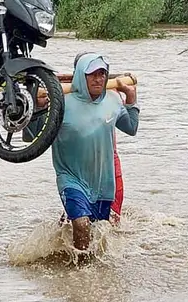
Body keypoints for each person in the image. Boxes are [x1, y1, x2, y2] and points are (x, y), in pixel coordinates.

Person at [27, 53, 138, 254]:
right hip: (70, 177)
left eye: (102, 74)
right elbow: (31, 137)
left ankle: (88, 272)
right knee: (81, 223)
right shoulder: (61, 102)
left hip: (103, 180)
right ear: (80, 76)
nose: (98, 79)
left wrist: (131, 98)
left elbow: (131, 127)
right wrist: (36, 108)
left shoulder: (112, 99)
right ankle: (80, 274)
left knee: (97, 231)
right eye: (92, 74)